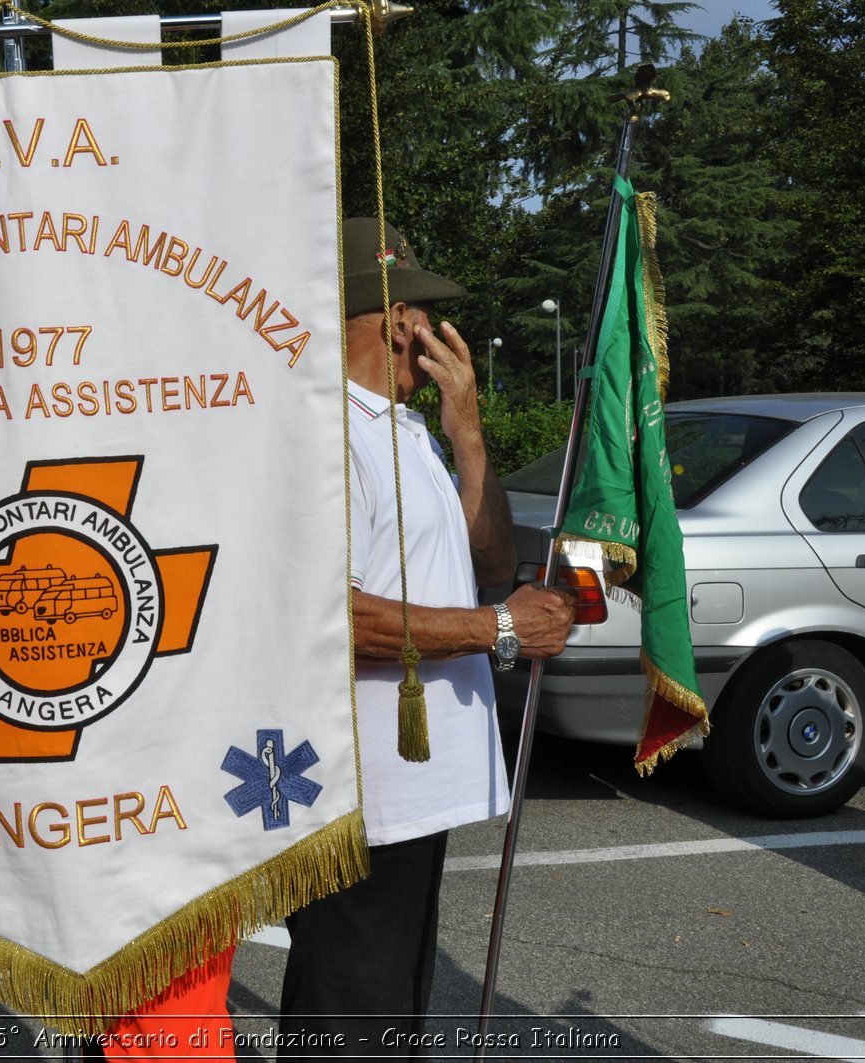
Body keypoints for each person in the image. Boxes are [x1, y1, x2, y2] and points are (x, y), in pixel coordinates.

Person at [277, 218, 577, 1058]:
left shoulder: (405, 428)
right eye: (425, 315)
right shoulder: (330, 431)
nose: (439, 335)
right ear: (398, 320)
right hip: (363, 793)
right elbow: (332, 614)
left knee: (382, 1014)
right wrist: (503, 629)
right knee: (352, 1018)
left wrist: (469, 433)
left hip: (414, 790)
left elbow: (489, 559)